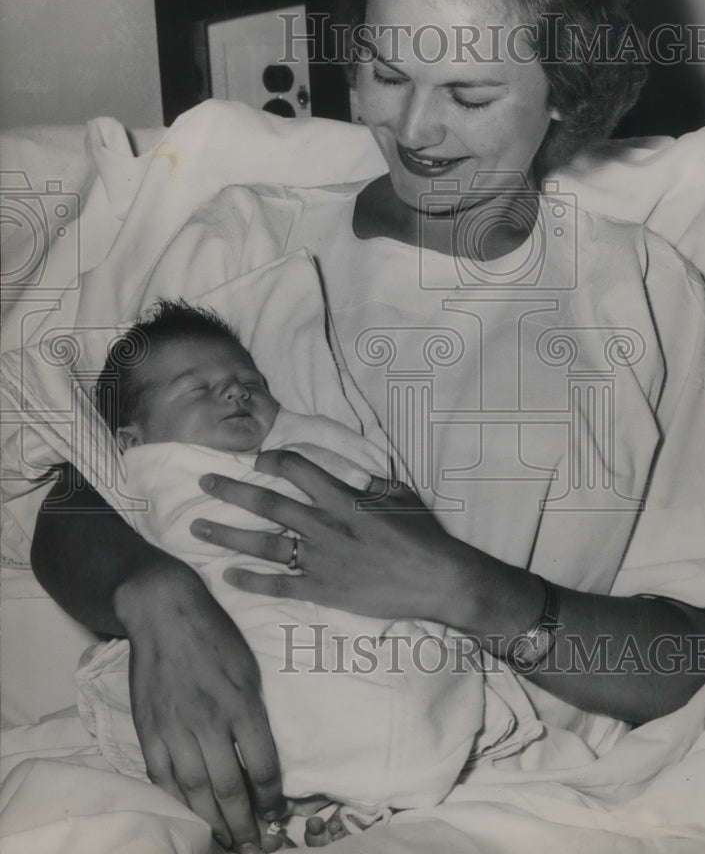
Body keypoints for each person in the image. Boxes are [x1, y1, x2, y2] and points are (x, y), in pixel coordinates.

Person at [31, 0, 705, 854]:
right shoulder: (241, 241)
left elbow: (681, 657)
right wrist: (151, 591)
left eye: (467, 92)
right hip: (187, 765)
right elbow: (75, 500)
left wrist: (456, 584)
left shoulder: (638, 297)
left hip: (479, 800)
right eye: (384, 72)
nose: (414, 131)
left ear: (565, 92)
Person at [80, 299, 535, 827]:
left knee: (402, 665)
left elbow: (369, 500)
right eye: (197, 388)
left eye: (248, 381)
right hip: (228, 618)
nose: (234, 391)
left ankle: (357, 791)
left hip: (329, 608)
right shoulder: (152, 474)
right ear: (134, 440)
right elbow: (167, 530)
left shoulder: (296, 450)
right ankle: (315, 790)